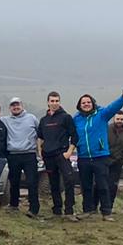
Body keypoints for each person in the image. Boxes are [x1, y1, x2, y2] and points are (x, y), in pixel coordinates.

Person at [71, 89, 123, 219]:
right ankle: (87, 210)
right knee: (86, 186)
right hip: (83, 157)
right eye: (83, 103)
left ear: (92, 103)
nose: (86, 104)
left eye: (88, 102)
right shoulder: (76, 118)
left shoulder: (101, 114)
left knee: (102, 185)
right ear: (79, 105)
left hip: (100, 156)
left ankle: (106, 212)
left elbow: (113, 107)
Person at [37, 91, 78, 219]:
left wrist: (69, 152)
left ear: (59, 102)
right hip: (48, 156)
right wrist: (40, 151)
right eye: (52, 101)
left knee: (69, 180)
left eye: (56, 101)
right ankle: (57, 210)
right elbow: (40, 137)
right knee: (53, 184)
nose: (54, 103)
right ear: (48, 102)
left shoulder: (66, 117)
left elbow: (75, 136)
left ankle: (69, 210)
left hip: (62, 154)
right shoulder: (44, 120)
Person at [2, 96, 40, 217]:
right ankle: (13, 205)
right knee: (14, 182)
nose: (16, 107)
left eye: (17, 105)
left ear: (22, 106)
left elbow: (41, 134)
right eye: (13, 105)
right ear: (10, 108)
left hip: (29, 154)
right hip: (13, 155)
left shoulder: (32, 118)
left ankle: (33, 209)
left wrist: (40, 149)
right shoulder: (5, 120)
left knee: (32, 182)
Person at [107, 112, 123, 201]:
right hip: (103, 162)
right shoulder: (105, 130)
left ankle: (109, 207)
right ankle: (94, 206)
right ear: (114, 119)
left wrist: (122, 160)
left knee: (113, 186)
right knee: (98, 185)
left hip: (117, 164)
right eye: (117, 119)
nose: (119, 121)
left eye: (121, 119)